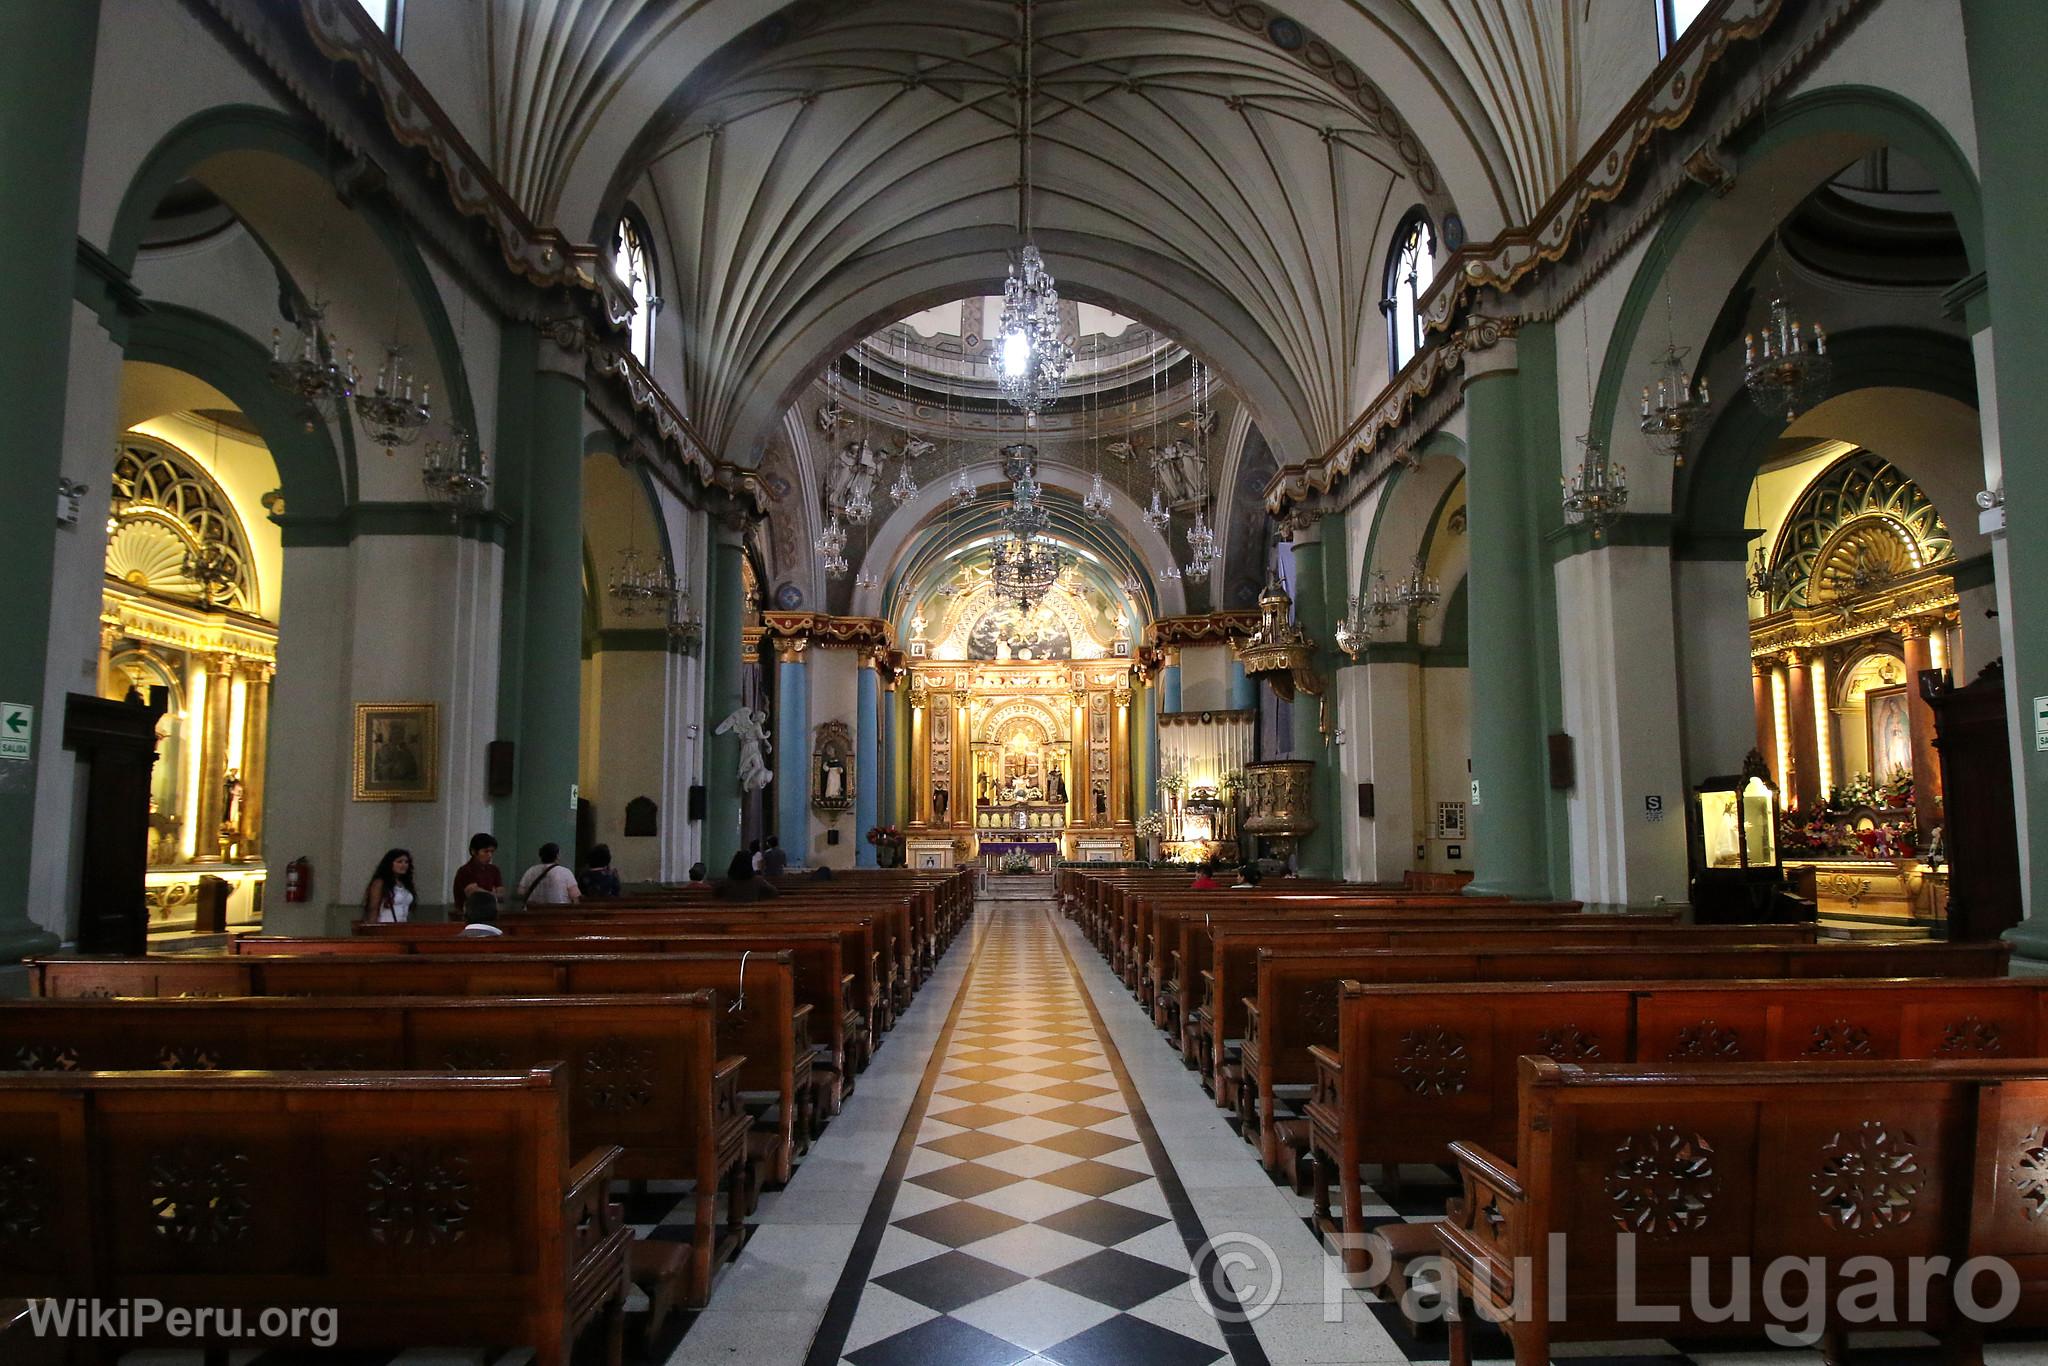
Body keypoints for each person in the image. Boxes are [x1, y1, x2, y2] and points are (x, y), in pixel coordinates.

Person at [362, 848, 416, 923]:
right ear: (390, 863)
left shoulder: (405, 883)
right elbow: (373, 909)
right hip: (386, 925)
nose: (404, 865)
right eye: (399, 862)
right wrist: (372, 927)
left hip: (402, 926)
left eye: (406, 862)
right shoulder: (380, 883)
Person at [452, 832, 503, 908]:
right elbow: (474, 893)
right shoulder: (465, 871)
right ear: (473, 851)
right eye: (486, 851)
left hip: (490, 910)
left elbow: (501, 892)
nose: (490, 855)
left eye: (492, 851)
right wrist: (493, 894)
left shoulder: (494, 869)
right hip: (468, 912)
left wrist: (491, 894)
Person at [716, 849, 781, 901]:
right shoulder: (758, 881)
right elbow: (774, 892)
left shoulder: (726, 882)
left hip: (729, 912)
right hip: (754, 912)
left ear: (734, 864)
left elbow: (715, 893)